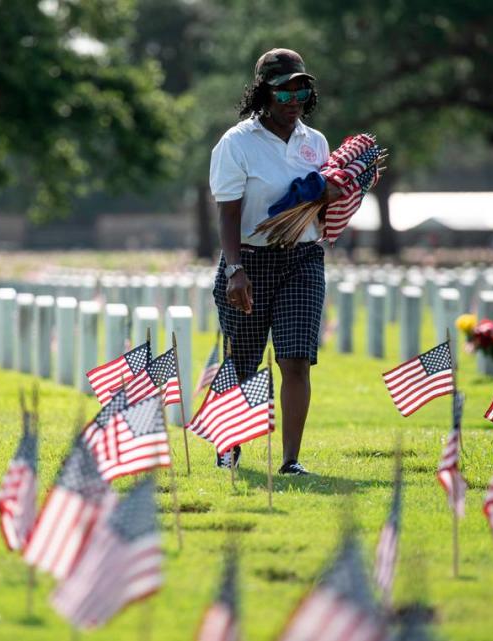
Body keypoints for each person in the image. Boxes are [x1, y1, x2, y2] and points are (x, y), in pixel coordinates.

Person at [209, 48, 329, 476]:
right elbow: (228, 213)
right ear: (264, 93)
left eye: (301, 88)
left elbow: (321, 208)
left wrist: (336, 194)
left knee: (295, 359)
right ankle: (229, 446)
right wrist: (234, 270)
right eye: (283, 90)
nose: (293, 98)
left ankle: (291, 460)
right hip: (250, 262)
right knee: (243, 360)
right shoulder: (236, 144)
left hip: (302, 260)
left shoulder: (315, 143)